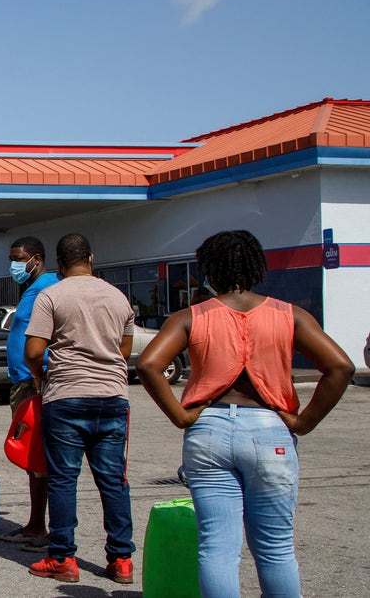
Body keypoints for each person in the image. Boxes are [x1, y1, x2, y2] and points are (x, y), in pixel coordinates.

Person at [137, 230, 354, 597]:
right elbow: (341, 367)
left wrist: (181, 416)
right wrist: (304, 422)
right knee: (275, 548)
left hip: (208, 430)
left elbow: (148, 365)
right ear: (255, 268)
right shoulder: (289, 315)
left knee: (217, 549)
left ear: (212, 271)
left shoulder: (191, 317)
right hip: (269, 430)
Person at [24, 233, 135, 584]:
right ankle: (121, 560)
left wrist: (41, 377)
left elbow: (32, 351)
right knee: (113, 482)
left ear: (58, 263)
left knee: (63, 480)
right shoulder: (118, 297)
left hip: (66, 397)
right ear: (91, 257)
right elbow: (124, 350)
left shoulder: (51, 295)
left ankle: (62, 558)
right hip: (113, 398)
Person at [0, 236, 57, 550]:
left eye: (18, 258)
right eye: (11, 258)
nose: (14, 265)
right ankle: (38, 523)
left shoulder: (47, 286)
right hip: (24, 380)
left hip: (35, 382)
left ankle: (39, 526)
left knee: (38, 456)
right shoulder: (33, 289)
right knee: (34, 457)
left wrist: (39, 374)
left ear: (36, 258)